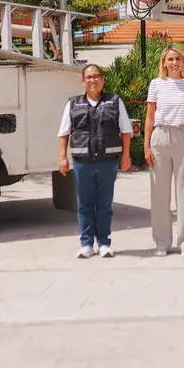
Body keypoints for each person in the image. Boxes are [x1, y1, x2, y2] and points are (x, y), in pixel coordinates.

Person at [58, 64, 132, 258]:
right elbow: (64, 132)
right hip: (83, 163)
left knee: (105, 205)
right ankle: (86, 244)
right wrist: (62, 158)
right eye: (89, 77)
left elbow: (125, 131)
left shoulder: (115, 101)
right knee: (84, 205)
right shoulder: (73, 104)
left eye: (96, 76)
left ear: (103, 80)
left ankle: (105, 243)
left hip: (108, 162)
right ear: (83, 81)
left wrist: (126, 156)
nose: (93, 80)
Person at [144, 44, 184, 257]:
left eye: (178, 59)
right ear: (164, 63)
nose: (174, 63)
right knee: (159, 193)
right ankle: (161, 242)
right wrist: (146, 145)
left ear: (183, 62)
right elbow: (150, 116)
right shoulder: (156, 84)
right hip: (159, 138)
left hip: (183, 137)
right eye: (170, 59)